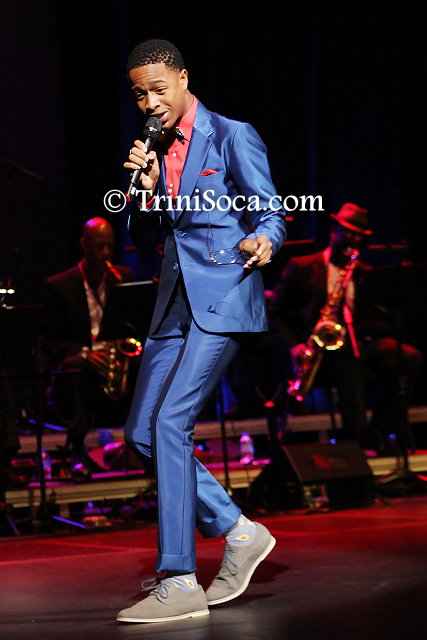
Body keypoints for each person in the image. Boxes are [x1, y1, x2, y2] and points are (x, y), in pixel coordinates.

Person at [116, 39, 287, 624]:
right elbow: (142, 236)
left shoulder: (232, 135)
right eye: (139, 93)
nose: (149, 102)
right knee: (142, 432)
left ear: (184, 79)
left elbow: (270, 210)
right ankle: (239, 531)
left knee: (171, 423)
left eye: (158, 89)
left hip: (224, 293)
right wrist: (142, 189)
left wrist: (266, 239)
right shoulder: (152, 147)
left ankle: (179, 578)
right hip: (172, 303)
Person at [269, 202, 422, 450]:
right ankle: (355, 437)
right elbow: (275, 314)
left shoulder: (363, 272)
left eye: (358, 235)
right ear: (334, 230)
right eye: (348, 232)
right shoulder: (303, 266)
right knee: (349, 358)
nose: (352, 239)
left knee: (408, 357)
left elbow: (378, 316)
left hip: (359, 341)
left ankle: (380, 425)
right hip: (323, 350)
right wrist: (293, 346)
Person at [39, 217, 134, 479]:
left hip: (111, 357)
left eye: (110, 246)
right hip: (81, 359)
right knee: (77, 367)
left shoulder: (122, 278)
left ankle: (141, 442)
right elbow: (49, 342)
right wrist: (86, 353)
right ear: (84, 244)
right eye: (99, 246)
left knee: (149, 363)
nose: (105, 253)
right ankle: (77, 448)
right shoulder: (59, 286)